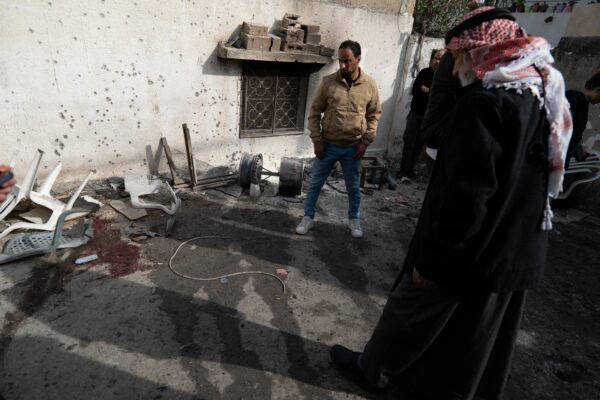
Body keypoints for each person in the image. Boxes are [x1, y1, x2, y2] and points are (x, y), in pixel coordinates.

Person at [330, 7, 572, 399]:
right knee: (475, 341)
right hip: (516, 248)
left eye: (459, 55)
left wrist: (431, 260)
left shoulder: (485, 103)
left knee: (408, 311)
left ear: (479, 51)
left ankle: (372, 371)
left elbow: (468, 198)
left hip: (466, 252)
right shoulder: (544, 95)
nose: (457, 65)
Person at [295, 40, 381, 238]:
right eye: (340, 61)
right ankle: (308, 217)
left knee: (353, 186)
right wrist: (317, 140)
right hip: (328, 145)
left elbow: (374, 115)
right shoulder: (328, 82)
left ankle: (354, 220)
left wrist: (366, 142)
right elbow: (315, 112)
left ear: (358, 59)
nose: (342, 66)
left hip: (353, 147)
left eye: (347, 61)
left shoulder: (369, 85)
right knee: (315, 183)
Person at [397, 49, 444, 183]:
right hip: (415, 114)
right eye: (435, 58)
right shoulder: (424, 72)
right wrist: (429, 91)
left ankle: (410, 171)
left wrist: (427, 90)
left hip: (429, 119)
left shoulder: (444, 78)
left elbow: (437, 96)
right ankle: (403, 171)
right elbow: (416, 89)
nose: (437, 61)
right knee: (409, 143)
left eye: (440, 59)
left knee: (419, 145)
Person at [565, 70, 600, 168]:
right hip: (549, 164)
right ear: (598, 90)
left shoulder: (581, 103)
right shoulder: (573, 102)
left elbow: (573, 134)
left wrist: (579, 152)